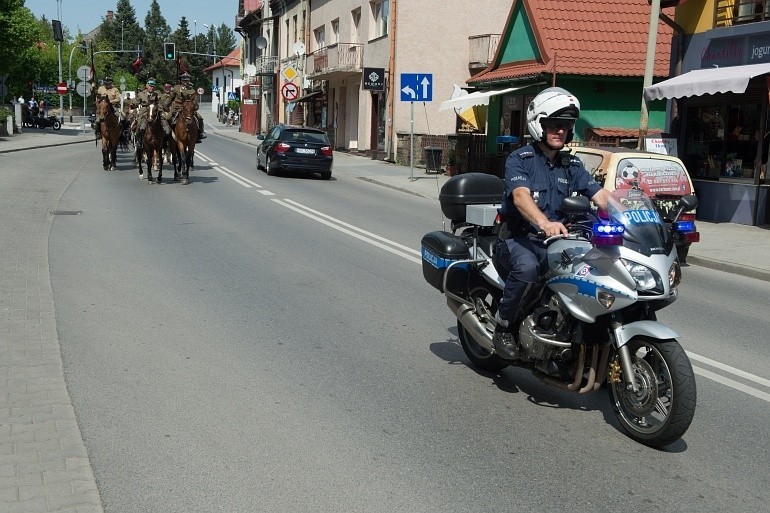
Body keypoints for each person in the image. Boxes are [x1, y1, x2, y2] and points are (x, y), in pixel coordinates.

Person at [491, 87, 612, 360]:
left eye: (566, 126)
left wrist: (629, 214)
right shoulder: (519, 160)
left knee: (595, 272)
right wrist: (544, 222)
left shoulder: (572, 164)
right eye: (553, 125)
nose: (560, 131)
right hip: (520, 240)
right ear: (539, 125)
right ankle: (504, 327)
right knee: (528, 269)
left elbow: (599, 194)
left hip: (560, 243)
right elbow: (521, 197)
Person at [163, 72, 205, 143]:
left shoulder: (192, 91)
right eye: (184, 80)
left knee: (200, 118)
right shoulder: (176, 88)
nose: (185, 82)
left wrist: (195, 107)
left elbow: (195, 102)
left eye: (187, 80)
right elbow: (171, 98)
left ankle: (200, 134)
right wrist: (165, 105)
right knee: (167, 118)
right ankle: (168, 134)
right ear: (181, 81)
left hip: (188, 109)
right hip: (177, 107)